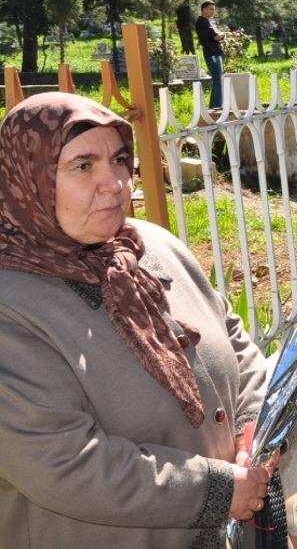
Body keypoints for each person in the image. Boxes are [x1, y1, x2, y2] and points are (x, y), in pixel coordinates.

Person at [0, 93, 272, 548]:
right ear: (29, 179)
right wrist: (218, 490)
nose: (114, 183)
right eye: (83, 165)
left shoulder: (149, 245)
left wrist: (250, 432)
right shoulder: (12, 305)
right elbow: (65, 463)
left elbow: (232, 337)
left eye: (119, 159)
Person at [195, 0, 225, 109]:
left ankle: (213, 107)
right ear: (204, 9)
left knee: (217, 81)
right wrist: (224, 33)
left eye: (214, 9)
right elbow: (216, 37)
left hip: (215, 53)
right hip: (212, 55)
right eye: (211, 9)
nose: (213, 11)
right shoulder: (202, 22)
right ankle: (217, 107)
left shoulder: (208, 21)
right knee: (218, 81)